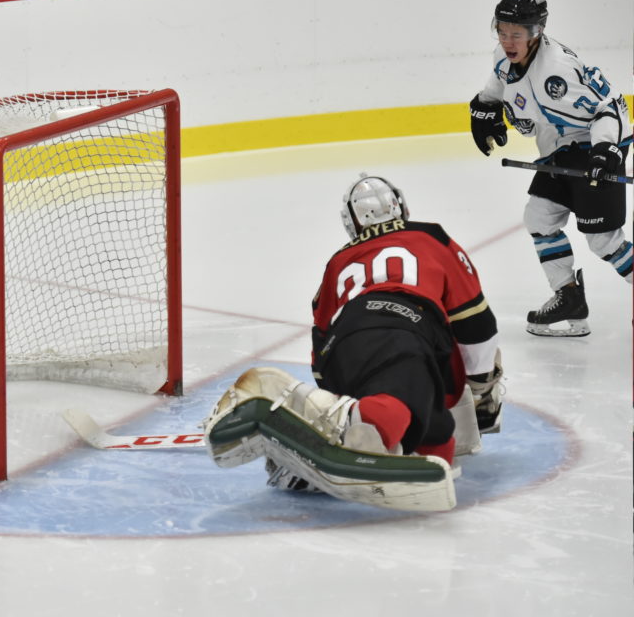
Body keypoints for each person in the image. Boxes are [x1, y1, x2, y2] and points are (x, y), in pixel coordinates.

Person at [204, 175, 503, 502]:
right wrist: (481, 383)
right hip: (403, 330)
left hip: (346, 344)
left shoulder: (337, 261)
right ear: (401, 206)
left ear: (352, 223)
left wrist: (337, 391)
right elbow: (476, 321)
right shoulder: (431, 235)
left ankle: (340, 421)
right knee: (393, 407)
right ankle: (341, 423)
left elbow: (321, 348)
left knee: (439, 446)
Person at [469, 0, 632, 337]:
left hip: (597, 144)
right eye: (501, 30)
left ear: (536, 33)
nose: (507, 40)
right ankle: (569, 296)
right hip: (558, 147)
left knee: (602, 240)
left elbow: (611, 105)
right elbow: (499, 83)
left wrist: (605, 150)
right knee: (539, 217)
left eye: (516, 34)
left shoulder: (557, 72)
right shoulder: (503, 56)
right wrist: (484, 105)